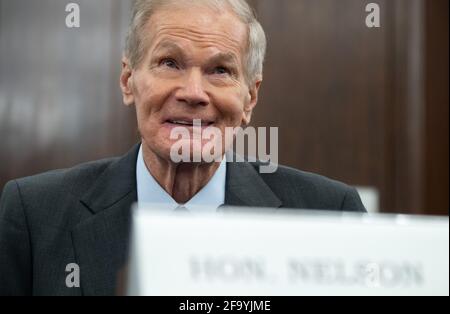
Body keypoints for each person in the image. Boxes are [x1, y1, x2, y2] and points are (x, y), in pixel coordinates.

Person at [0, 0, 365, 296]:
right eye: (169, 63)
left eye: (220, 70)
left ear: (250, 98)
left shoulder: (329, 213)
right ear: (129, 82)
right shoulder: (34, 214)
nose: (193, 92)